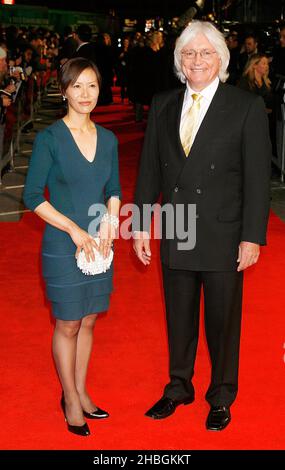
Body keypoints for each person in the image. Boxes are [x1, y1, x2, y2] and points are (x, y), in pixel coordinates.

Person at [133, 21, 271, 431]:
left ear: (221, 59)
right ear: (179, 61)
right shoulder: (162, 104)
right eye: (188, 54)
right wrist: (141, 225)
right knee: (178, 315)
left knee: (222, 321)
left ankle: (222, 394)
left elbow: (257, 179)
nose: (197, 61)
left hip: (223, 231)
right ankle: (178, 386)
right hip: (177, 228)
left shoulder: (244, 107)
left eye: (206, 53)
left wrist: (251, 236)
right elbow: (149, 172)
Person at [23, 57, 121, 436]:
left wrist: (110, 224)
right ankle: (69, 397)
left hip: (100, 245)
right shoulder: (50, 139)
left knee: (91, 318)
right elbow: (32, 196)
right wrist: (74, 230)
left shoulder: (109, 139)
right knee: (68, 322)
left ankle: (80, 390)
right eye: (77, 86)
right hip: (64, 244)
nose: (85, 94)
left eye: (92, 85)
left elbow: (113, 189)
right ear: (63, 90)